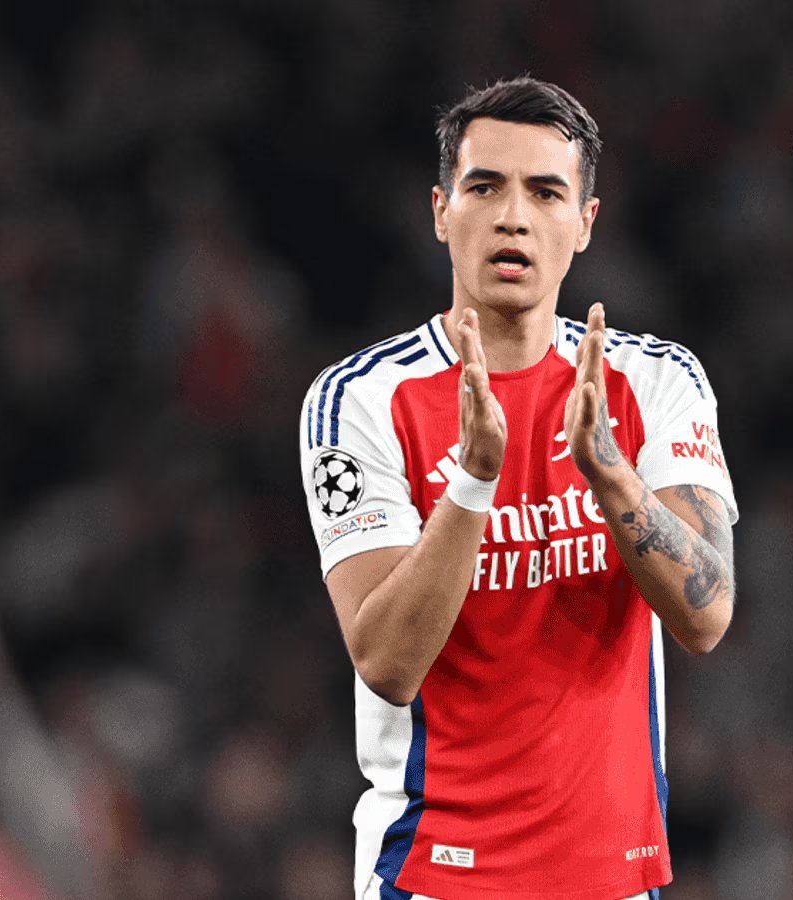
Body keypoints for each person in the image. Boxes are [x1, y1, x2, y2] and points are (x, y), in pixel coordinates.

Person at [298, 76, 737, 900]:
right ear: (441, 212)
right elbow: (386, 662)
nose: (512, 217)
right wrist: (473, 480)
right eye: (484, 187)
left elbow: (707, 616)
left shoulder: (655, 382)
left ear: (585, 223)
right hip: (435, 878)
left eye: (545, 192)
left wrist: (609, 473)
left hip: (614, 880)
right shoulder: (360, 400)